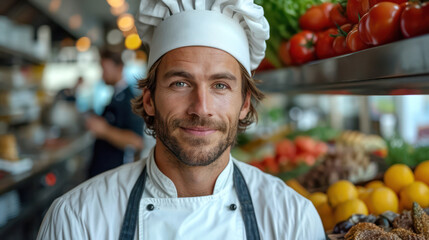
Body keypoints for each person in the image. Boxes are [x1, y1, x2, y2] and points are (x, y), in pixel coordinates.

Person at [37, 0, 325, 239]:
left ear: (244, 104)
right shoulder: (77, 219)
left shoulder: (293, 220)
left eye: (220, 85)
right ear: (149, 99)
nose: (201, 108)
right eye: (180, 83)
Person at [85, 50, 144, 178]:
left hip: (115, 176)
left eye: (104, 69)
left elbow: (136, 141)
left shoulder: (129, 100)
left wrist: (104, 130)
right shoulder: (116, 96)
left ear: (119, 68)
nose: (102, 74)